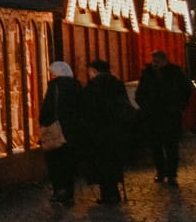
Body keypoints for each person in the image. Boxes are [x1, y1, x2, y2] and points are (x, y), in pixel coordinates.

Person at [137, 49, 194, 185]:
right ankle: (161, 171)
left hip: (170, 115)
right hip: (153, 115)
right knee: (156, 146)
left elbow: (186, 91)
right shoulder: (147, 74)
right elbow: (140, 93)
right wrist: (145, 106)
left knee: (171, 146)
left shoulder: (175, 73)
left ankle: (171, 174)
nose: (154, 64)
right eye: (153, 61)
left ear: (164, 61)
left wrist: (178, 107)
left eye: (157, 61)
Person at [81, 58, 133, 204]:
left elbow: (85, 109)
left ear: (95, 72)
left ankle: (106, 193)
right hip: (115, 129)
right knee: (113, 160)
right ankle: (114, 192)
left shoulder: (92, 87)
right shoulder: (117, 84)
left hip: (97, 130)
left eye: (90, 72)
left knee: (101, 162)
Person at [38, 60, 85, 204]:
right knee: (68, 161)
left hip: (57, 129)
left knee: (55, 160)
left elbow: (47, 108)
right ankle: (69, 192)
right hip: (73, 130)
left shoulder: (54, 86)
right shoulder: (76, 85)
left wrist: (43, 123)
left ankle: (59, 190)